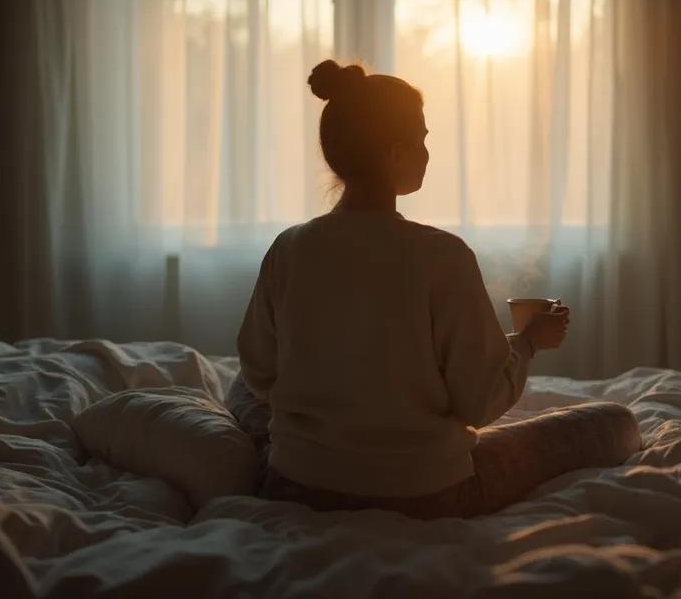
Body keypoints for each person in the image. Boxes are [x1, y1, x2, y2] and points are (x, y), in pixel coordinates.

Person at [227, 60, 639, 519]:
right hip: (424, 493)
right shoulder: (442, 255)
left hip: (297, 484)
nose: (427, 153)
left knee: (238, 389)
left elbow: (260, 372)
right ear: (395, 153)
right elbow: (477, 401)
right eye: (422, 139)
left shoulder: (289, 248)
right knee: (612, 423)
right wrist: (526, 344)